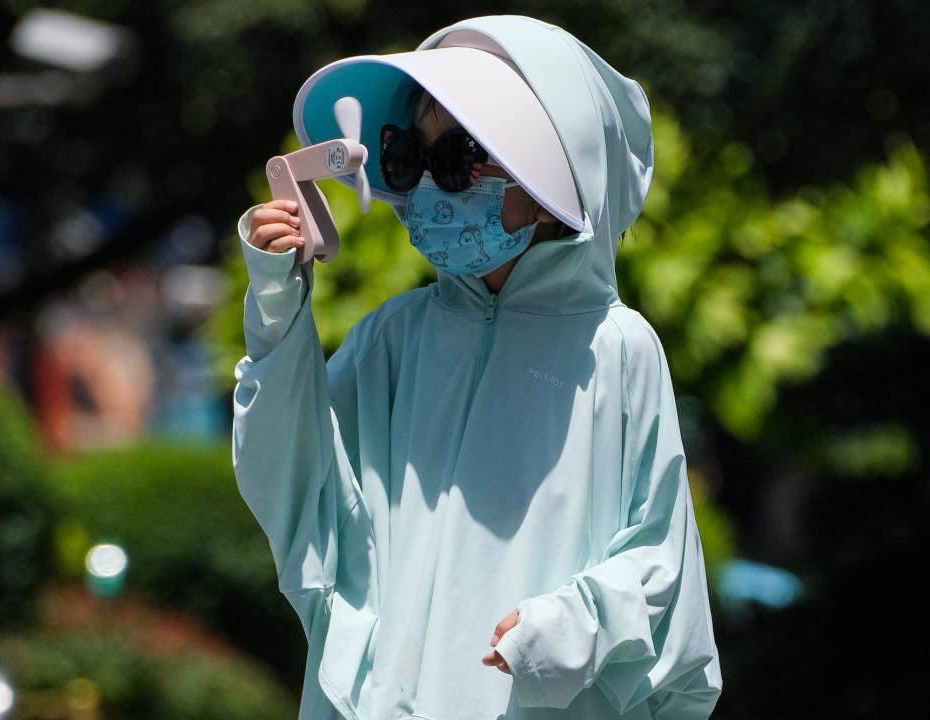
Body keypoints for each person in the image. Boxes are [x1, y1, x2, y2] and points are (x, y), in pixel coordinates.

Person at [232, 14, 722, 720]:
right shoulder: (392, 338)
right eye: (410, 159)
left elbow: (663, 566)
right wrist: (277, 307)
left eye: (460, 157)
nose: (433, 187)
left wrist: (570, 626)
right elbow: (298, 489)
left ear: (558, 172)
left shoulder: (617, 349)